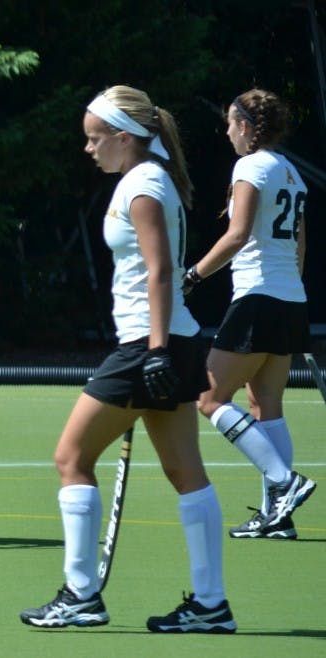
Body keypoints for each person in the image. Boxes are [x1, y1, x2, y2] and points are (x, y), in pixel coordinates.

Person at [19, 86, 235, 633]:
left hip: (149, 344)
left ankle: (81, 595)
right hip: (170, 339)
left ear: (124, 136)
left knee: (71, 457)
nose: (88, 149)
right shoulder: (146, 179)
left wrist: (156, 351)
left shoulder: (142, 184)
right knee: (185, 472)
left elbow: (160, 270)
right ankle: (211, 604)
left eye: (96, 139)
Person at [183, 88, 315, 539]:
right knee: (265, 406)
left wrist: (193, 274)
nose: (226, 133)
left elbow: (237, 235)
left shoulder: (251, 166)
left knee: (208, 397)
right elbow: (299, 247)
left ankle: (284, 481)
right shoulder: (292, 172)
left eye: (230, 123)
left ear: (245, 126)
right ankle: (277, 517)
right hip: (289, 299)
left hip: (258, 297)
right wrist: (288, 295)